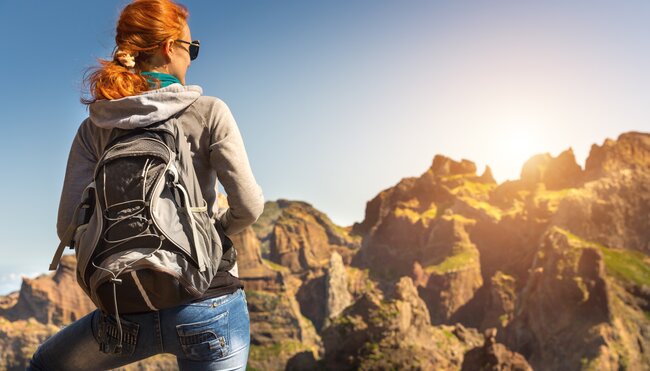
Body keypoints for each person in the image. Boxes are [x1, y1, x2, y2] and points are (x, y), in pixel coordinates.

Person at [28, 0, 264, 369]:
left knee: (46, 363)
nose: (191, 59)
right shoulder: (208, 111)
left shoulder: (95, 127)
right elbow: (249, 205)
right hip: (207, 303)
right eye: (192, 49)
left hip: (124, 307)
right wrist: (211, 230)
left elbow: (68, 227)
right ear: (171, 48)